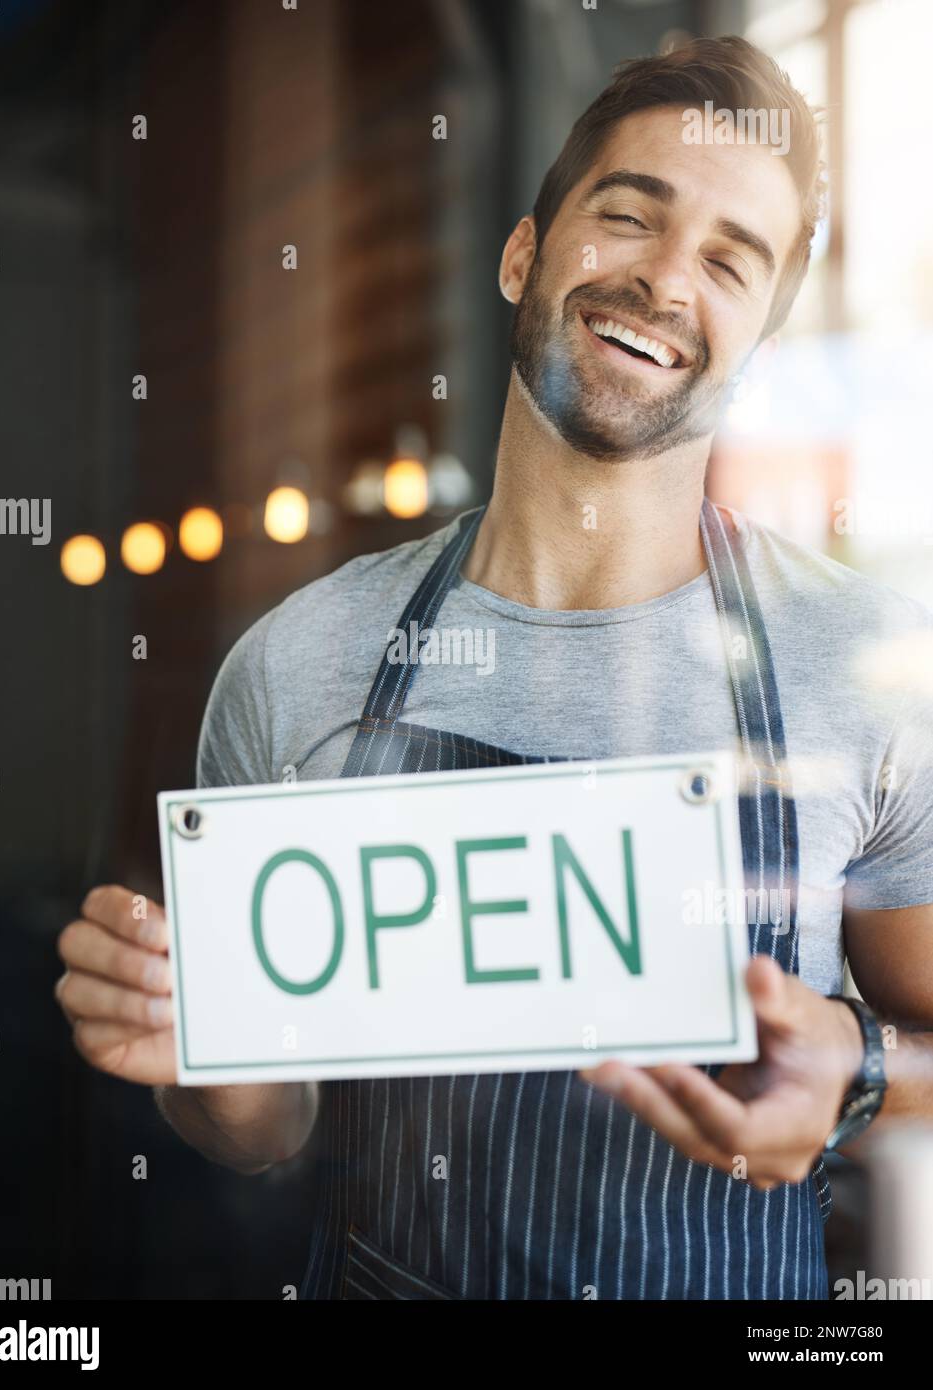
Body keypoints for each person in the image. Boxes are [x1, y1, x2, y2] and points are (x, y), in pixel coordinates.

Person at [55, 36, 933, 1300]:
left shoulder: (863, 674)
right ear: (524, 254)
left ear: (755, 342)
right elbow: (268, 1129)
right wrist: (202, 1056)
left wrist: (854, 1073)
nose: (664, 278)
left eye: (729, 260)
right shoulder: (299, 667)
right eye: (629, 213)